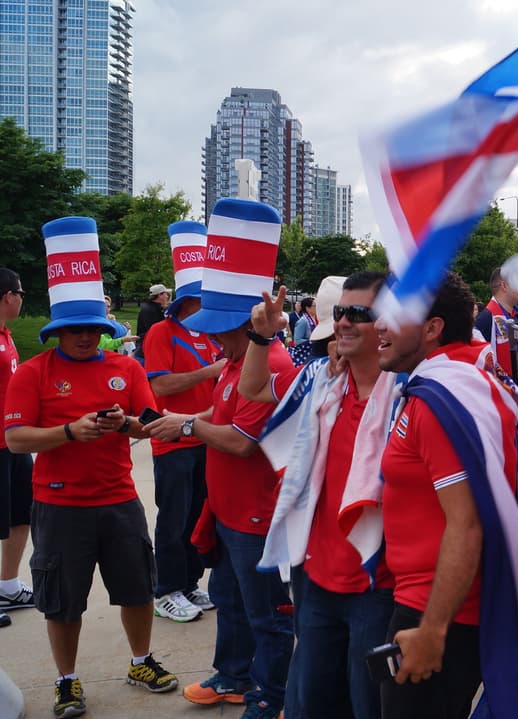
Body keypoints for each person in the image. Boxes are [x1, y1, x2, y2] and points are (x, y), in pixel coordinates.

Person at [5, 217, 178, 718]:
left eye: (93, 329)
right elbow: (15, 439)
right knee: (62, 599)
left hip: (119, 497)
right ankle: (66, 680)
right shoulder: (36, 372)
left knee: (138, 586)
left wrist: (126, 423)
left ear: (106, 331)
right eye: (74, 329)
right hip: (59, 504)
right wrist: (67, 433)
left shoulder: (127, 368)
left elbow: (151, 424)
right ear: (57, 331)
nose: (85, 337)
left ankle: (141, 660)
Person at [145, 199, 294, 718]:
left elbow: (241, 440)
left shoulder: (269, 361)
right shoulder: (234, 359)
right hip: (231, 512)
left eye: (219, 330)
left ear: (245, 326)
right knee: (230, 602)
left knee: (268, 616)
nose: (210, 338)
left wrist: (186, 425)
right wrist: (182, 422)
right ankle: (232, 677)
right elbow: (220, 408)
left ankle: (268, 696)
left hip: (258, 515)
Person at [240, 272, 398, 719]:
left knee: (369, 705)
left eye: (359, 314)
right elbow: (251, 390)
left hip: (377, 582)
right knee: (312, 703)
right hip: (316, 577)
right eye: (340, 313)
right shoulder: (317, 380)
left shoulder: (411, 393)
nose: (344, 322)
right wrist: (261, 336)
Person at [374, 271, 518, 718]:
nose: (379, 325)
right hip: (440, 603)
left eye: (393, 314)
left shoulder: (442, 398)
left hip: (436, 612)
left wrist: (432, 630)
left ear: (432, 328)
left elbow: (467, 524)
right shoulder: (464, 379)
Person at [145, 221, 225, 624]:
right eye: (200, 300)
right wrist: (209, 373)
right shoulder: (163, 332)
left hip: (204, 438)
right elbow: (160, 384)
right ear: (185, 302)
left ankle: (191, 581)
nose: (206, 307)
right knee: (173, 519)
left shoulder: (210, 337)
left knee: (196, 517)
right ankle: (166, 590)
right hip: (173, 441)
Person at [0, 268, 33, 630]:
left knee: (22, 514)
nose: (22, 299)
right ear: (8, 296)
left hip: (13, 439)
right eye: (20, 293)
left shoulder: (6, 335)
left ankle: (8, 586)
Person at [135, 283, 171, 362]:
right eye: (166, 294)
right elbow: (156, 332)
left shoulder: (151, 308)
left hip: (146, 350)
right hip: (147, 352)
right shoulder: (151, 310)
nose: (167, 296)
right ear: (159, 295)